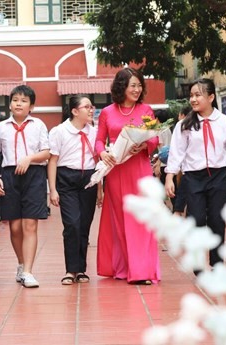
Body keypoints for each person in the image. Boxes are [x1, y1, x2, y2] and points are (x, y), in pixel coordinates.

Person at [95, 67, 160, 285]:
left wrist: (143, 143)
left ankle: (142, 270)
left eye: (139, 85)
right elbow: (98, 141)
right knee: (120, 220)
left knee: (141, 219)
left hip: (139, 170)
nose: (137, 89)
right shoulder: (107, 112)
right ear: (121, 86)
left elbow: (154, 140)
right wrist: (102, 153)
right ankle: (123, 268)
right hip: (116, 169)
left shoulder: (147, 110)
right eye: (133, 85)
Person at [165, 78, 226, 270]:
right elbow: (177, 152)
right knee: (195, 220)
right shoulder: (184, 125)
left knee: (216, 219)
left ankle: (216, 261)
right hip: (193, 178)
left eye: (198, 95)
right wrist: (170, 176)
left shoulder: (225, 123)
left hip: (219, 176)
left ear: (211, 97)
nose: (193, 100)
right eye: (192, 96)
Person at [0, 85, 50, 288]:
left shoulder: (39, 125)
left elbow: (46, 153)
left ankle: (28, 272)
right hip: (9, 176)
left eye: (24, 101)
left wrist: (29, 158)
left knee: (30, 224)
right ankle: (21, 263)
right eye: (15, 100)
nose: (18, 104)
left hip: (34, 175)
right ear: (10, 103)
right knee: (15, 227)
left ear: (31, 106)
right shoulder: (1, 127)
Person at [47, 95, 103, 285]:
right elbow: (52, 161)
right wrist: (53, 189)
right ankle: (70, 270)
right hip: (67, 179)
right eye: (86, 106)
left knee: (85, 225)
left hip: (89, 179)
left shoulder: (94, 132)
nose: (91, 110)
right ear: (74, 111)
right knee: (72, 224)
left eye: (92, 106)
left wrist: (100, 189)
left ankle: (81, 270)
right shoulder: (59, 131)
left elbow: (98, 162)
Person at [172, 105, 191, 216]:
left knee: (182, 195)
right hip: (184, 168)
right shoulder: (180, 127)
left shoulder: (182, 126)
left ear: (183, 115)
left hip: (186, 170)